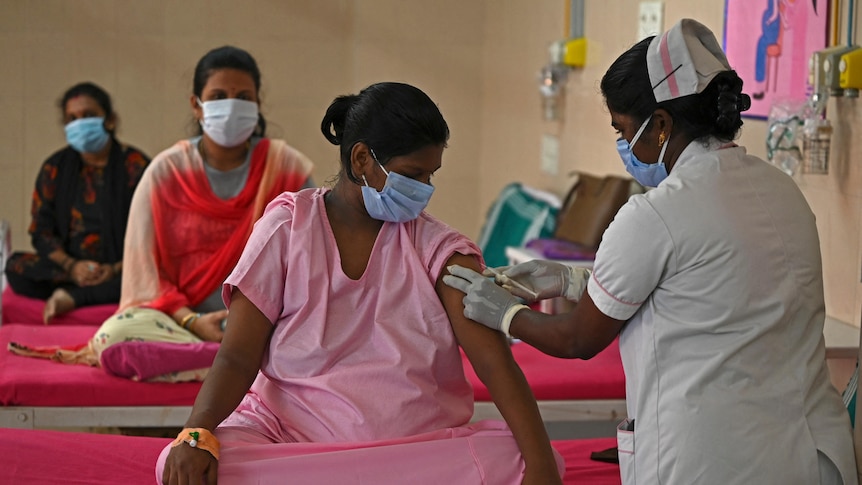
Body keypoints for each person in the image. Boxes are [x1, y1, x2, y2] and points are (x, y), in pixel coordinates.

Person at [444, 19, 857, 485]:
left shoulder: (656, 214)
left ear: (660, 125)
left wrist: (505, 315)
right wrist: (575, 280)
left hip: (715, 461)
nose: (623, 145)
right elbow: (716, 285)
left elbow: (578, 340)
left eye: (623, 130)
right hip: (810, 454)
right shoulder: (782, 191)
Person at [157, 82, 564, 484]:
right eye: (413, 174)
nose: (425, 189)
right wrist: (197, 433)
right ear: (362, 158)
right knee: (181, 466)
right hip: (289, 438)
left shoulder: (441, 251)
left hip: (409, 451)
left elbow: (494, 361)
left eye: (431, 175)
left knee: (524, 458)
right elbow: (236, 357)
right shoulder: (286, 229)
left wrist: (542, 468)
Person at [7, 46, 314, 382]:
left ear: (257, 105)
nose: (231, 106)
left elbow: (307, 262)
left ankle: (229, 357)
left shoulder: (286, 168)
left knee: (318, 329)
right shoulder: (166, 171)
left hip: (261, 321)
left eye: (242, 97)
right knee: (116, 337)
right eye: (218, 96)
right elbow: (146, 275)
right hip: (177, 321)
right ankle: (238, 362)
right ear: (197, 105)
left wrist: (256, 320)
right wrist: (191, 321)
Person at [4, 82, 150, 324]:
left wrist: (114, 269)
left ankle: (75, 297)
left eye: (89, 115)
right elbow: (41, 231)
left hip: (122, 267)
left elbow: (154, 231)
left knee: (154, 274)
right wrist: (73, 267)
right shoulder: (55, 167)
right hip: (70, 268)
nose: (80, 124)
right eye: (72, 118)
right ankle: (86, 289)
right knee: (15, 267)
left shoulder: (135, 166)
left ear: (110, 120)